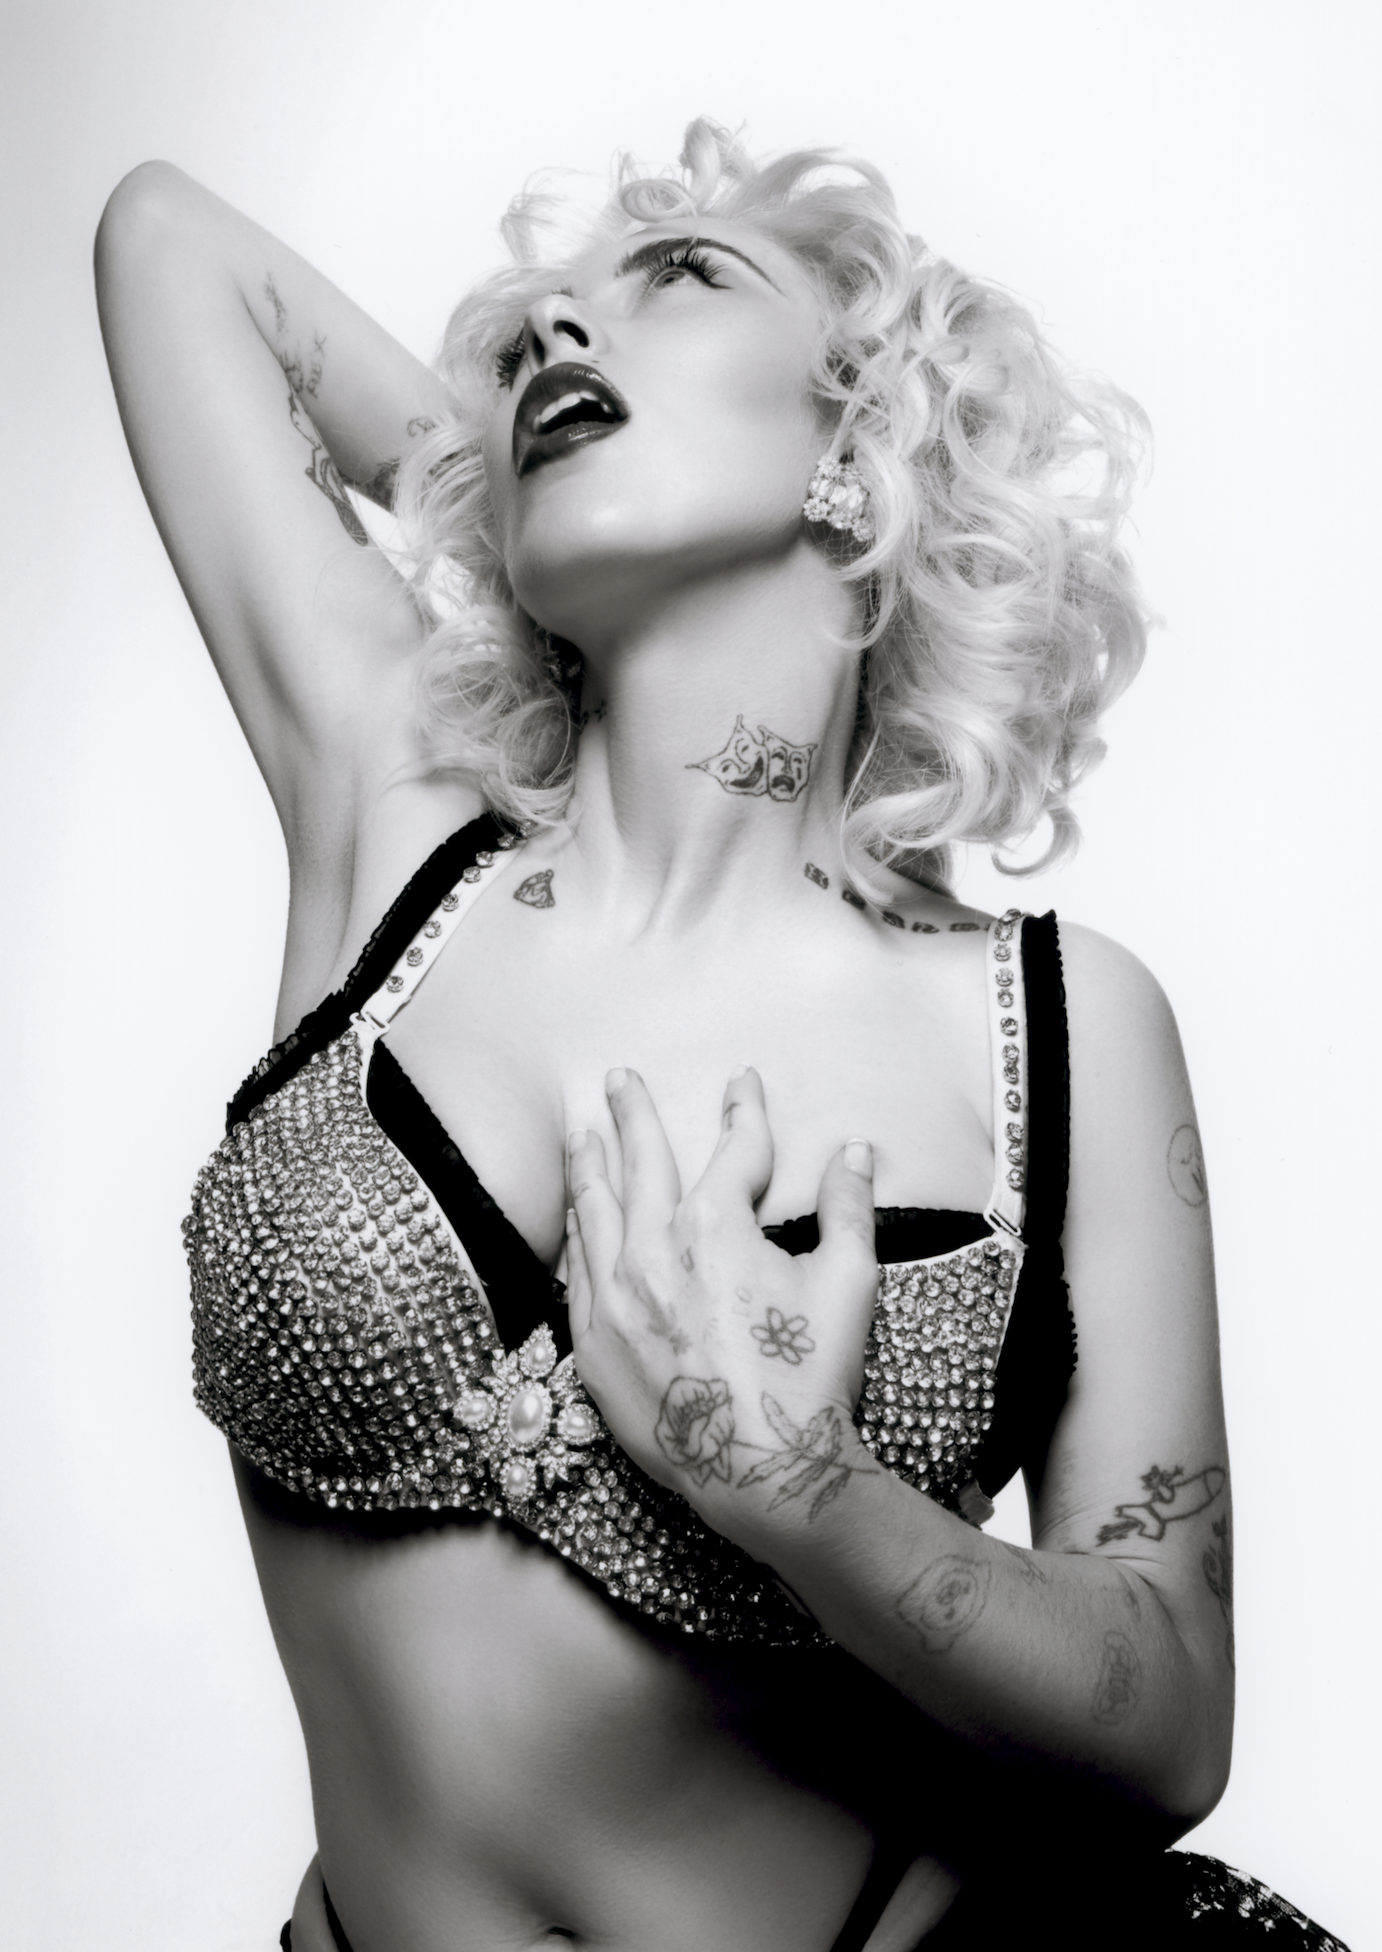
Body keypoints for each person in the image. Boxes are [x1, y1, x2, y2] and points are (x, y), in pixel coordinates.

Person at [95, 120, 1347, 1951]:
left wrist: (801, 1491)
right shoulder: (392, 810)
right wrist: (511, 486)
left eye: (680, 272)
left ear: (859, 441)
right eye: (533, 322)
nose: (551, 330)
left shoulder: (1052, 1023)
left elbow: (1168, 1722)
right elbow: (168, 245)